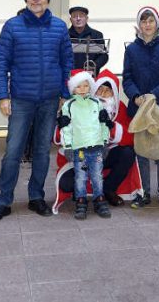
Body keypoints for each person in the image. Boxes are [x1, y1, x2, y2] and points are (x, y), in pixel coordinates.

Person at [0, 0, 73, 223]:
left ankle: (36, 197)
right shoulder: (12, 26)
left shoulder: (58, 27)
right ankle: (4, 201)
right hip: (21, 99)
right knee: (13, 152)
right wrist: (3, 95)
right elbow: (0, 62)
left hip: (49, 100)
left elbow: (67, 62)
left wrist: (64, 94)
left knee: (42, 152)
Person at [54, 68, 140, 211]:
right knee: (66, 184)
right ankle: (82, 193)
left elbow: (131, 138)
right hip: (78, 155)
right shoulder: (74, 105)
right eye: (99, 89)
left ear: (114, 93)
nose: (103, 94)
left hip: (104, 154)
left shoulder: (121, 109)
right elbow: (58, 138)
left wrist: (111, 128)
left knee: (128, 153)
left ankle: (108, 189)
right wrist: (61, 126)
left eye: (108, 90)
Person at [123, 6, 159, 210]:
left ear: (157, 23)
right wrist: (136, 96)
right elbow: (127, 78)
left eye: (151, 21)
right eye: (143, 21)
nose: (147, 25)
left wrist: (155, 94)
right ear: (138, 24)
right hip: (139, 108)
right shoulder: (131, 49)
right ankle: (143, 191)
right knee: (142, 150)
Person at [58, 70, 111, 219]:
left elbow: (104, 124)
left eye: (86, 86)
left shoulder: (97, 103)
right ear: (73, 88)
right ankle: (81, 201)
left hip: (97, 147)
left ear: (90, 87)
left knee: (97, 176)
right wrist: (67, 146)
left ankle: (99, 199)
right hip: (79, 149)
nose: (82, 89)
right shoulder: (69, 105)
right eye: (79, 86)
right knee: (80, 176)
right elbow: (66, 128)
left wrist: (105, 141)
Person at [68, 6, 108, 75]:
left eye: (81, 16)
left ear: (86, 19)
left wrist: (93, 67)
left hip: (91, 75)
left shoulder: (97, 35)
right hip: (69, 75)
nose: (78, 19)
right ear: (71, 19)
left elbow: (103, 56)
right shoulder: (65, 35)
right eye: (74, 16)